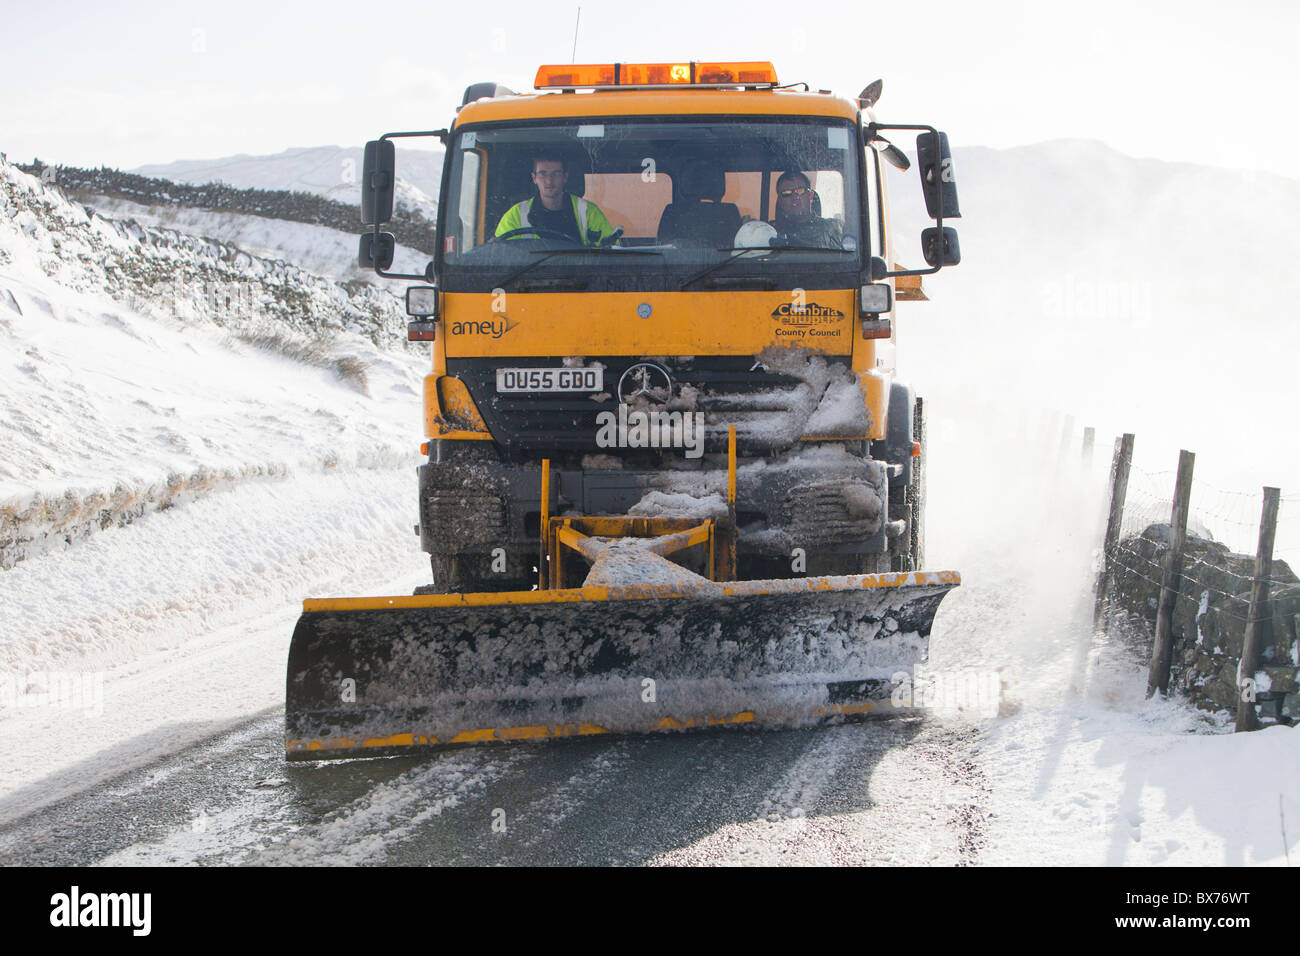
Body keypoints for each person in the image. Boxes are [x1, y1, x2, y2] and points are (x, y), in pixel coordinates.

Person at [494, 153, 615, 246]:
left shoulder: (589, 212)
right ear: (534, 178)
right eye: (542, 174)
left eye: (556, 173)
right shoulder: (514, 216)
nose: (549, 181)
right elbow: (501, 255)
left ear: (565, 177)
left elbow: (611, 253)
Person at [772, 170, 842, 249]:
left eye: (800, 191)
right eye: (787, 193)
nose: (795, 197)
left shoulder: (832, 229)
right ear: (780, 201)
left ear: (810, 196)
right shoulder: (770, 231)